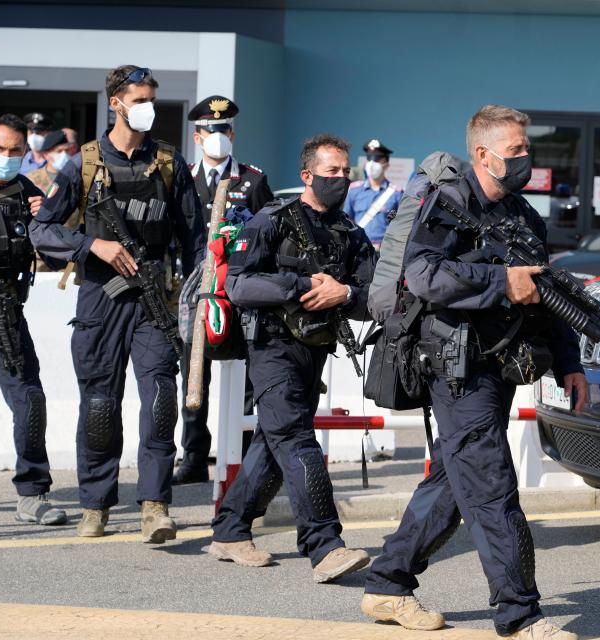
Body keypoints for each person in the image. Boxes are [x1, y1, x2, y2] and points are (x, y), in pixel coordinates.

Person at [361, 105, 587, 639]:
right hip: (455, 368)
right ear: (483, 154)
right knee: (490, 483)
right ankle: (520, 615)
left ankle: (387, 581)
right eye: (515, 151)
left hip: (500, 362)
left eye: (527, 149)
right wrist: (500, 282)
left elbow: (544, 290)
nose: (525, 159)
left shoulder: (521, 214)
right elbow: (423, 276)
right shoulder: (444, 205)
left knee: (451, 480)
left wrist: (571, 363)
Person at [29, 65, 205, 542]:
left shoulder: (169, 163)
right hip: (100, 298)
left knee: (161, 402)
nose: (147, 106)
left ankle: (155, 505)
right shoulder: (82, 163)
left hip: (154, 300)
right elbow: (41, 229)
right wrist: (93, 247)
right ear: (117, 103)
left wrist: (195, 299)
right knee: (101, 405)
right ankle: (95, 506)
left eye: (152, 98)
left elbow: (195, 240)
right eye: (139, 98)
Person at [208, 133, 375, 583]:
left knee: (273, 440)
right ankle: (324, 545)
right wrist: (301, 287)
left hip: (315, 349)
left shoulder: (350, 234)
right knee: (298, 441)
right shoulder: (271, 221)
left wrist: (347, 292)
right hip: (272, 348)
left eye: (345, 172)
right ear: (308, 176)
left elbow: (376, 297)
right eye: (331, 172)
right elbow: (239, 286)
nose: (340, 180)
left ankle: (229, 531)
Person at [172, 95, 274, 485]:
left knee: (250, 377)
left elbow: (266, 233)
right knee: (193, 376)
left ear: (232, 133)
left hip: (239, 291)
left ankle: (247, 458)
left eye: (224, 130)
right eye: (211, 131)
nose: (219, 137)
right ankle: (194, 456)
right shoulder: (183, 178)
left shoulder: (253, 180)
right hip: (197, 292)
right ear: (197, 137)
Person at [0, 114, 66, 526]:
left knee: (30, 400)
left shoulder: (29, 193)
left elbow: (55, 257)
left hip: (4, 316)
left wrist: (43, 221)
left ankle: (32, 493)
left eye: (13, 150)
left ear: (25, 152)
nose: (5, 157)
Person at [343, 138, 401, 245]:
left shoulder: (397, 194)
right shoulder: (354, 191)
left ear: (387, 164)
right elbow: (346, 222)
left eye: (377, 158)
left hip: (385, 251)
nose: (372, 162)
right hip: (360, 249)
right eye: (369, 158)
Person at [25, 130, 73, 194]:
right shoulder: (31, 180)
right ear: (46, 155)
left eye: (67, 150)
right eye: (59, 151)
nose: (64, 154)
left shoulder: (77, 176)